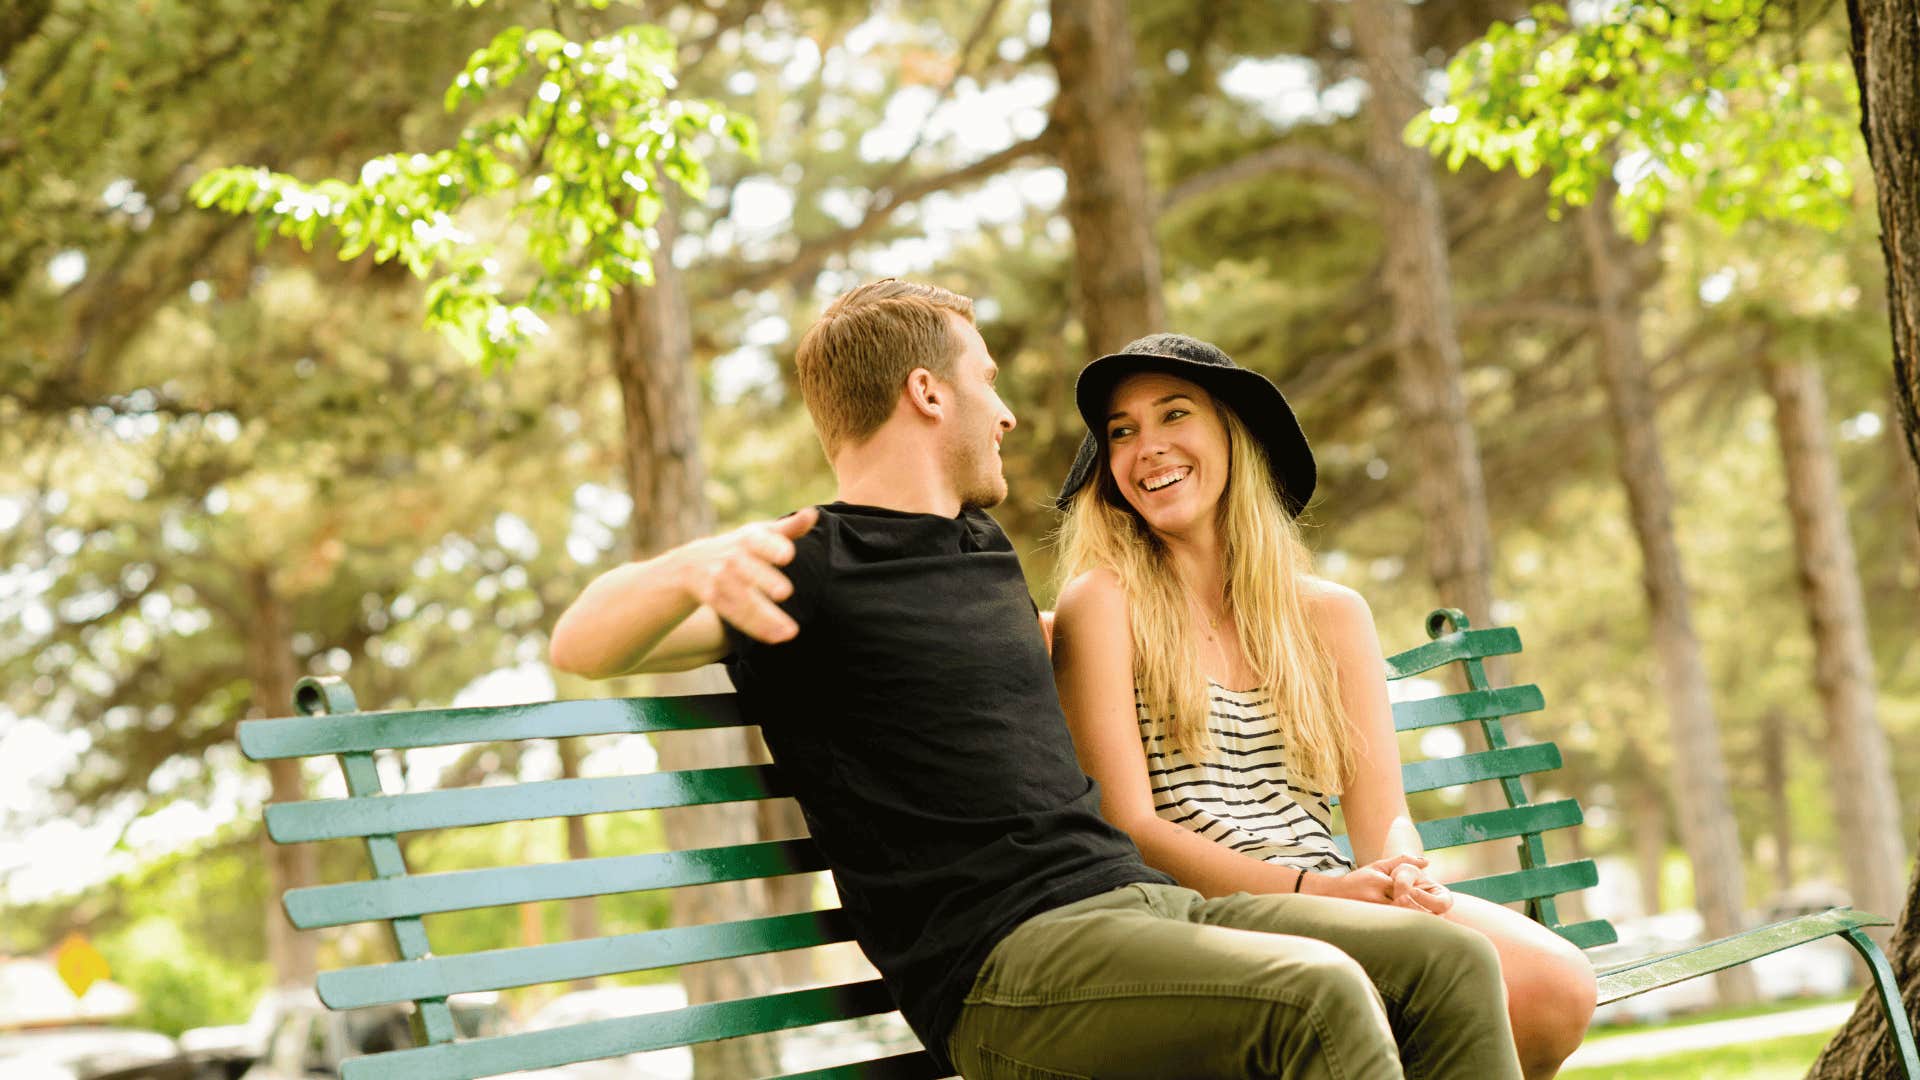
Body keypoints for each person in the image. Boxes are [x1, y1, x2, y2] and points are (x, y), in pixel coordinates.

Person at [550, 280, 1524, 1079]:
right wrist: (689, 567)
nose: (1009, 412)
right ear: (930, 393)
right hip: (1007, 967)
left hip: (1144, 912)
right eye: (988, 381)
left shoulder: (978, 551)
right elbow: (580, 643)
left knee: (1447, 962)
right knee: (1317, 993)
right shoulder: (798, 567)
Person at [1049, 333, 1598, 1080]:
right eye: (1122, 432)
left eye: (1174, 416)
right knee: (1432, 976)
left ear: (1232, 438)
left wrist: (1399, 870)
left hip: (1333, 892)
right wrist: (1322, 889)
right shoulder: (1103, 602)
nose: (1148, 447)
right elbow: (1132, 829)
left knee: (1555, 984)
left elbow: (1381, 815)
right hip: (1202, 914)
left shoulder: (1330, 615)